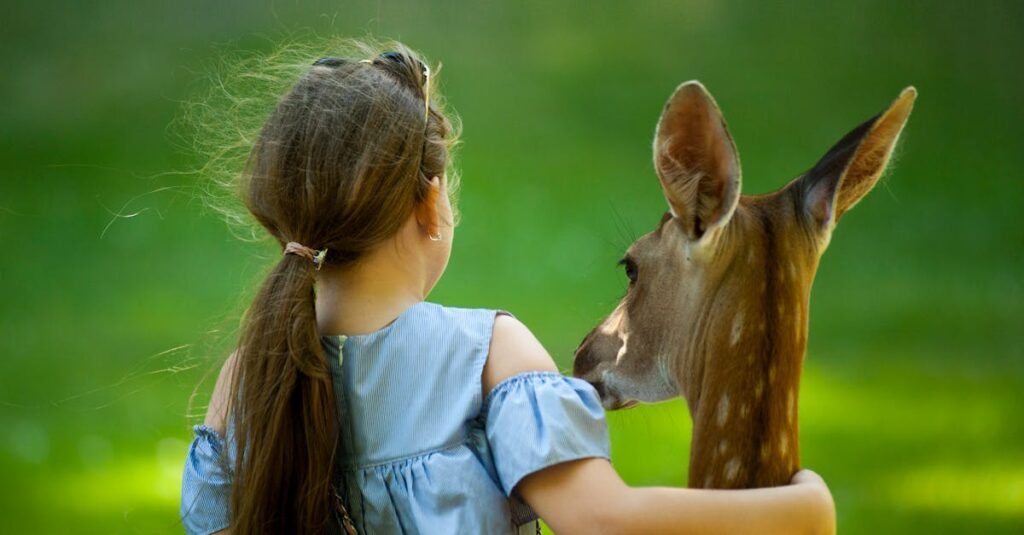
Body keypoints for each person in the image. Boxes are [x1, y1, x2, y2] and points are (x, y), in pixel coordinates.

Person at [179, 41, 836, 535]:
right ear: (430, 204)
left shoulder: (250, 374)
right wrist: (803, 508)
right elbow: (606, 519)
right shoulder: (488, 354)